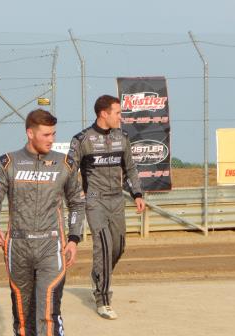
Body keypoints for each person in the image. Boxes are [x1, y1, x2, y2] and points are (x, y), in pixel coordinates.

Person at [0, 109, 85, 336]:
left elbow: (77, 203)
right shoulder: (7, 162)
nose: (52, 140)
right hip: (17, 247)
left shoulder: (65, 164)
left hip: (52, 246)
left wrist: (74, 239)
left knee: (47, 312)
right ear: (30, 133)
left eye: (53, 134)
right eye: (46, 135)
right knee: (22, 316)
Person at [68, 95, 145, 320]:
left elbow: (130, 168)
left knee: (119, 247)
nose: (121, 117)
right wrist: (76, 193)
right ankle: (103, 299)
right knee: (102, 244)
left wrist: (137, 194)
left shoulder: (123, 137)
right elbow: (69, 171)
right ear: (104, 113)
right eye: (118, 113)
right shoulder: (82, 139)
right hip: (94, 199)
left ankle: (98, 275)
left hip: (117, 200)